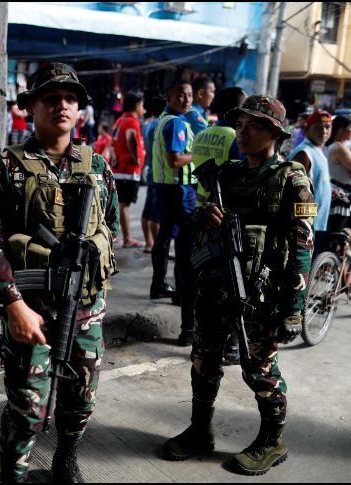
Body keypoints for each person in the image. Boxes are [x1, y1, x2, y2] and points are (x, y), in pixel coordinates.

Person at [0, 62, 118, 483]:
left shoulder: (98, 167)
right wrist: (12, 304)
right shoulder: (6, 167)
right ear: (30, 107)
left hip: (86, 309)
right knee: (27, 406)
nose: (62, 105)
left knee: (81, 397)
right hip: (31, 309)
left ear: (79, 110)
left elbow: (107, 226)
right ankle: (14, 473)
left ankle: (67, 456)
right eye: (51, 98)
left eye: (70, 99)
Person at [163, 94, 313, 476]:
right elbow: (197, 219)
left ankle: (273, 440)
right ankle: (200, 430)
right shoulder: (225, 175)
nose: (243, 133)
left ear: (275, 133)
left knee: (258, 368)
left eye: (255, 126)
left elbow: (303, 245)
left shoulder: (293, 179)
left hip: (263, 295)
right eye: (241, 126)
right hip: (216, 285)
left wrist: (294, 308)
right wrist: (204, 215)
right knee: (203, 362)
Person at [189, 86, 247, 364]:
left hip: (202, 209)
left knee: (197, 275)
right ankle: (232, 345)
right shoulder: (235, 137)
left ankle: (190, 331)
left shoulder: (202, 133)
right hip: (225, 215)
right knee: (233, 280)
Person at [150, 81, 196, 346]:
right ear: (169, 96)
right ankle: (179, 294)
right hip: (179, 188)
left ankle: (160, 284)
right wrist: (197, 154)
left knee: (166, 235)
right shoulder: (176, 123)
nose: (186, 99)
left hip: (165, 186)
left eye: (189, 95)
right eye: (180, 94)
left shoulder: (163, 121)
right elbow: (175, 159)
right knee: (185, 250)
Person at [289, 110, 332, 255]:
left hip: (319, 222)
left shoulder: (319, 151)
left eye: (327, 127)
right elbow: (296, 191)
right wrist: (304, 225)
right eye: (318, 127)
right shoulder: (304, 153)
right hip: (307, 225)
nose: (324, 131)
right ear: (307, 130)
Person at [111, 92, 146, 247]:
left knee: (120, 203)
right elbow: (130, 138)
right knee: (124, 204)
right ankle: (127, 239)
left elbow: (112, 144)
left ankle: (118, 236)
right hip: (129, 170)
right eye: (142, 105)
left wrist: (115, 159)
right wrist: (136, 158)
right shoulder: (132, 122)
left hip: (119, 169)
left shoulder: (119, 121)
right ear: (136, 106)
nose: (143, 109)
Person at [141, 95, 166, 253]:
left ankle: (149, 244)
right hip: (159, 172)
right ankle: (158, 247)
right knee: (156, 213)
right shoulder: (161, 124)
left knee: (148, 210)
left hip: (150, 169)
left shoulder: (148, 125)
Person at [326, 115, 351, 233]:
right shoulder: (340, 148)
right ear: (341, 130)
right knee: (337, 234)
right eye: (350, 128)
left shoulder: (332, 146)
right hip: (341, 196)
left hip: (336, 191)